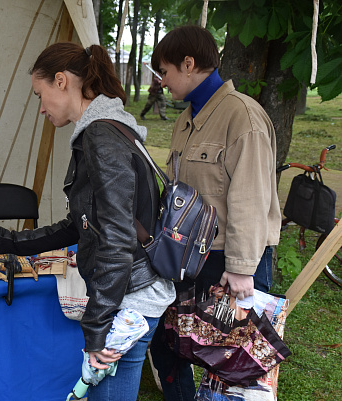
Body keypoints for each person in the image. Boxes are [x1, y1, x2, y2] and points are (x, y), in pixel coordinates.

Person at [0, 42, 176, 401]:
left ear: (61, 81)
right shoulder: (108, 128)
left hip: (129, 302)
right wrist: (7, 241)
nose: (41, 108)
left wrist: (96, 331)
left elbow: (116, 239)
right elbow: (81, 224)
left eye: (40, 94)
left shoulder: (100, 136)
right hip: (131, 295)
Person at [148, 25, 281, 400]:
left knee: (230, 361)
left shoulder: (243, 117)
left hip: (230, 260)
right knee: (171, 343)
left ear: (188, 64)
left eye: (165, 71)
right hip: (188, 255)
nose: (163, 82)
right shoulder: (186, 117)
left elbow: (251, 198)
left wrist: (241, 268)